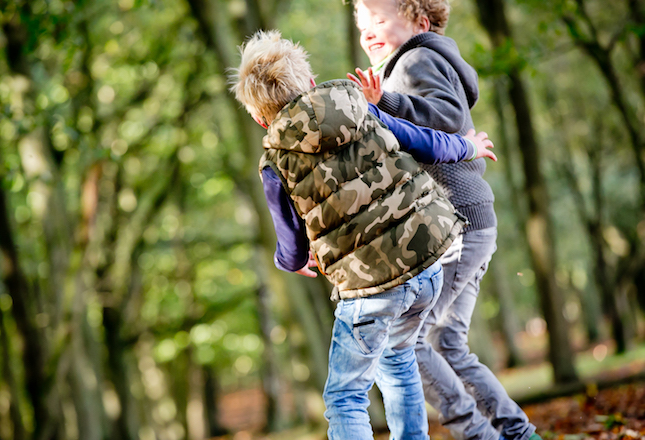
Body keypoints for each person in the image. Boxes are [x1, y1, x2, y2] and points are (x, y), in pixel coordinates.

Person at [229, 29, 496, 440]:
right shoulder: (356, 105)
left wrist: (295, 262)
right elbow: (422, 141)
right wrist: (468, 147)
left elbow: (290, 237)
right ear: (312, 82)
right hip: (427, 261)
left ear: (259, 117)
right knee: (399, 360)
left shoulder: (274, 163)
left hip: (368, 287)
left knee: (345, 395)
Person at [346, 1, 540, 440]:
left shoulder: (416, 58)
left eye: (379, 20)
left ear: (420, 21)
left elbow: (447, 118)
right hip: (467, 219)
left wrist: (385, 102)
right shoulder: (412, 62)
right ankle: (518, 433)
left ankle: (481, 435)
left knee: (403, 339)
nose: (369, 32)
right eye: (363, 25)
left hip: (454, 223)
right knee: (445, 342)